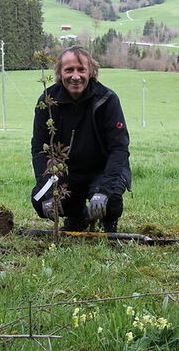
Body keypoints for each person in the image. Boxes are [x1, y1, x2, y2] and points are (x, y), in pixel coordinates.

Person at [31, 46, 131, 232]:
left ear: (91, 71)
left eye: (81, 69)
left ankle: (109, 222)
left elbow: (119, 149)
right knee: (39, 199)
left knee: (110, 194)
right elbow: (39, 149)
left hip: (102, 168)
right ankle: (77, 217)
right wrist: (46, 189)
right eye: (69, 70)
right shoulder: (47, 102)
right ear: (60, 73)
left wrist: (104, 191)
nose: (75, 76)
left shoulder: (107, 99)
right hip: (66, 172)